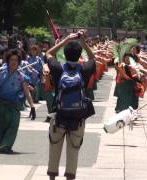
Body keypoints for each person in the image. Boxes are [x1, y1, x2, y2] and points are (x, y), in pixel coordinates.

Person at [45, 31, 95, 180]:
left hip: (59, 115)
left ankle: (52, 177)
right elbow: (93, 58)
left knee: (54, 149)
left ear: (65, 54)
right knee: (73, 151)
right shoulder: (84, 69)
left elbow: (48, 53)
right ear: (80, 55)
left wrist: (66, 39)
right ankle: (70, 177)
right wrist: (84, 43)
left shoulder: (58, 69)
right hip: (78, 117)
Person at [0, 49, 36, 154]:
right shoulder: (1, 70)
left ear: (19, 62)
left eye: (16, 60)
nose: (14, 62)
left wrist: (32, 106)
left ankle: (6, 146)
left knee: (13, 125)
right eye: (11, 59)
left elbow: (27, 92)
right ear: (8, 60)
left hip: (13, 105)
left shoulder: (21, 76)